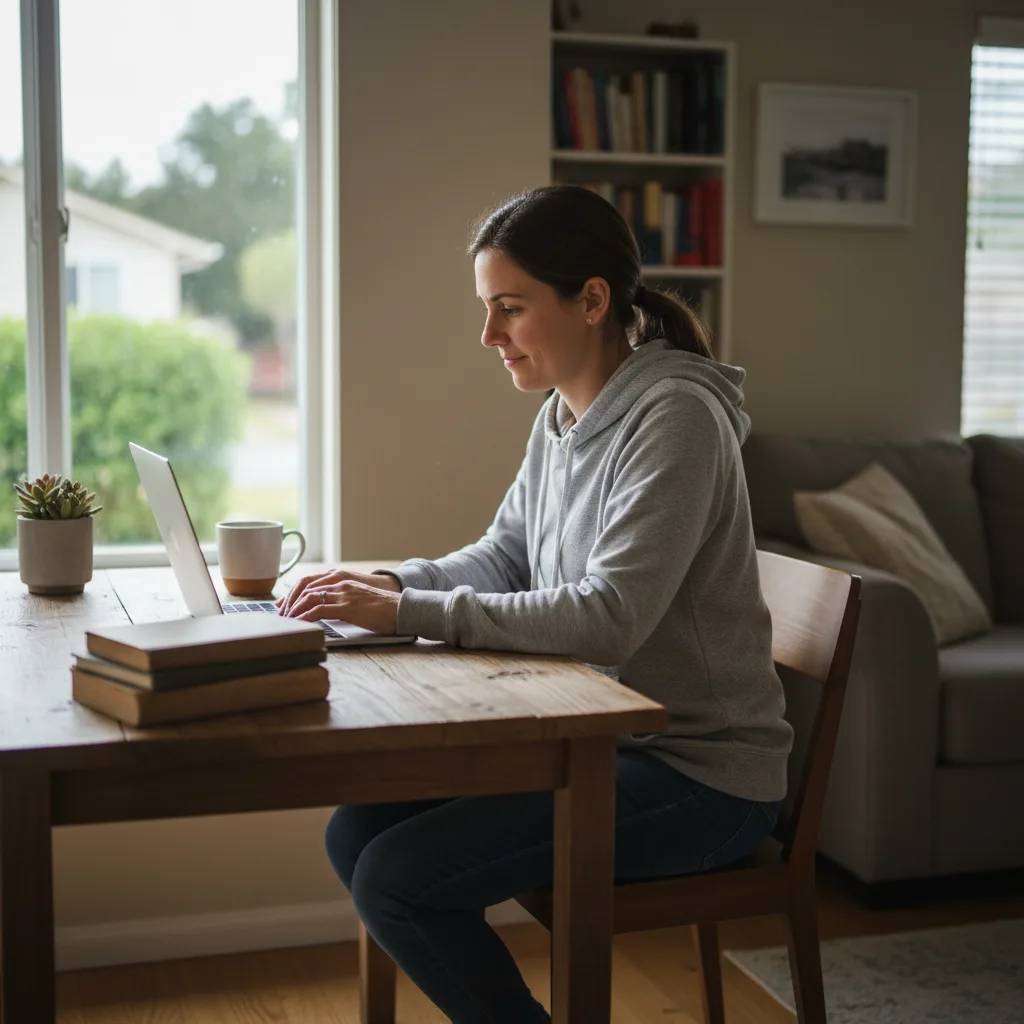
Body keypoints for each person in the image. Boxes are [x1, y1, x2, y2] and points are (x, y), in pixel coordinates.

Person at [278, 184, 794, 1023]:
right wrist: (393, 585)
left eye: (509, 309)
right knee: (356, 832)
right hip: (597, 742)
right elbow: (507, 553)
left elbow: (607, 614)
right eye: (488, 310)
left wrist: (406, 616)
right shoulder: (561, 415)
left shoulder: (677, 420)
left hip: (700, 775)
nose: (489, 335)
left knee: (399, 880)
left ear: (592, 300)